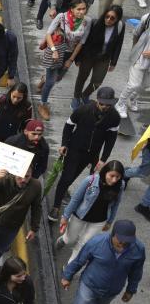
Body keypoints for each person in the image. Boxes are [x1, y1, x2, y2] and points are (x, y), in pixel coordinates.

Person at [60, 220, 145, 304]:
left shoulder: (138, 249)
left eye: (127, 241)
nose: (123, 244)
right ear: (113, 234)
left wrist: (131, 290)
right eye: (120, 240)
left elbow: (136, 272)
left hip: (111, 291)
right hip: (89, 285)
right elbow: (80, 259)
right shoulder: (97, 242)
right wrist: (67, 276)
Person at [49, 86, 120, 216]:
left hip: (91, 153)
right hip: (75, 149)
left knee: (74, 175)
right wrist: (64, 144)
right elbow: (68, 125)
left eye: (108, 104)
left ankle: (64, 190)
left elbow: (111, 140)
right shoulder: (83, 109)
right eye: (101, 103)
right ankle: (56, 206)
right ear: (97, 100)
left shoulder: (114, 117)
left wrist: (103, 159)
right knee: (66, 177)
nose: (104, 106)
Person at [56, 160, 125, 261]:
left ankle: (68, 268)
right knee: (70, 240)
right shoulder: (90, 180)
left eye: (118, 177)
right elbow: (76, 199)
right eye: (112, 176)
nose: (114, 180)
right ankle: (64, 239)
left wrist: (110, 221)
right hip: (80, 216)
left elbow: (115, 204)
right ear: (105, 172)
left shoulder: (120, 185)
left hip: (99, 220)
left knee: (83, 245)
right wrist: (65, 216)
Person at [38, 0, 92, 121]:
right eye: (78, 9)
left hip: (69, 54)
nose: (82, 12)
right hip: (56, 51)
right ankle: (43, 104)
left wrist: (71, 59)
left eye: (84, 9)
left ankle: (44, 79)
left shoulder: (87, 21)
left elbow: (81, 42)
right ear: (72, 9)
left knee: (58, 78)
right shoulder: (61, 17)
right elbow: (48, 34)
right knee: (51, 82)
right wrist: (54, 51)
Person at [72, 4, 123, 109]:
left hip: (104, 58)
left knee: (97, 81)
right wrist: (78, 58)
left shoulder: (120, 26)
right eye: (107, 16)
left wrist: (114, 62)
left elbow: (118, 44)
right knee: (82, 78)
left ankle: (85, 95)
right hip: (88, 56)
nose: (108, 20)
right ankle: (76, 98)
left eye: (112, 18)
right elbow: (83, 42)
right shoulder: (94, 23)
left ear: (117, 19)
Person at [113, 11, 150, 119]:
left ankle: (133, 99)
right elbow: (136, 33)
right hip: (140, 57)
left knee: (145, 85)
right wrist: (135, 50)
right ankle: (120, 103)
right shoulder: (147, 18)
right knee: (134, 84)